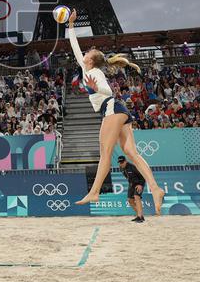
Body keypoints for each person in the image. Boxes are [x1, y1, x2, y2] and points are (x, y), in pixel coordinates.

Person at [67, 11, 164, 214]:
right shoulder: (88, 69)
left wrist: (95, 88)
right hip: (118, 110)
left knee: (105, 154)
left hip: (111, 108)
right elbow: (74, 47)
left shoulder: (94, 73)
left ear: (91, 61)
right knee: (131, 153)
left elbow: (107, 91)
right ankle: (155, 188)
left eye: (87, 54)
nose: (83, 54)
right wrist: (71, 26)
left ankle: (94, 192)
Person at [117, 156, 146, 223]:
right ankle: (140, 215)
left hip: (139, 183)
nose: (121, 164)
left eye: (122, 162)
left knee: (137, 197)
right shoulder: (121, 168)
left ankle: (139, 216)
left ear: (125, 161)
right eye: (120, 163)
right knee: (130, 200)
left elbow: (143, 176)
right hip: (131, 184)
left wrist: (140, 185)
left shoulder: (132, 167)